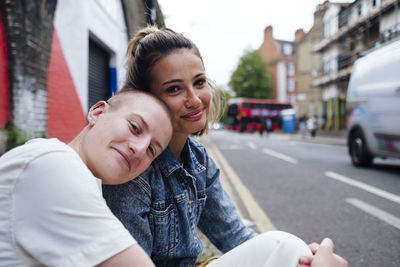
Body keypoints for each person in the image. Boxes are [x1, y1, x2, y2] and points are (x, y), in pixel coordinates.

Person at [102, 26, 347, 267]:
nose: (195, 99)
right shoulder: (131, 168)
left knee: (292, 250)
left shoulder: (198, 159)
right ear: (146, 99)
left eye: (199, 82)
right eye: (174, 88)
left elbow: (236, 237)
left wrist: (302, 258)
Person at [0, 89, 173, 267]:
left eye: (151, 150)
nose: (140, 149)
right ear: (97, 113)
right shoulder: (55, 167)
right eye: (135, 127)